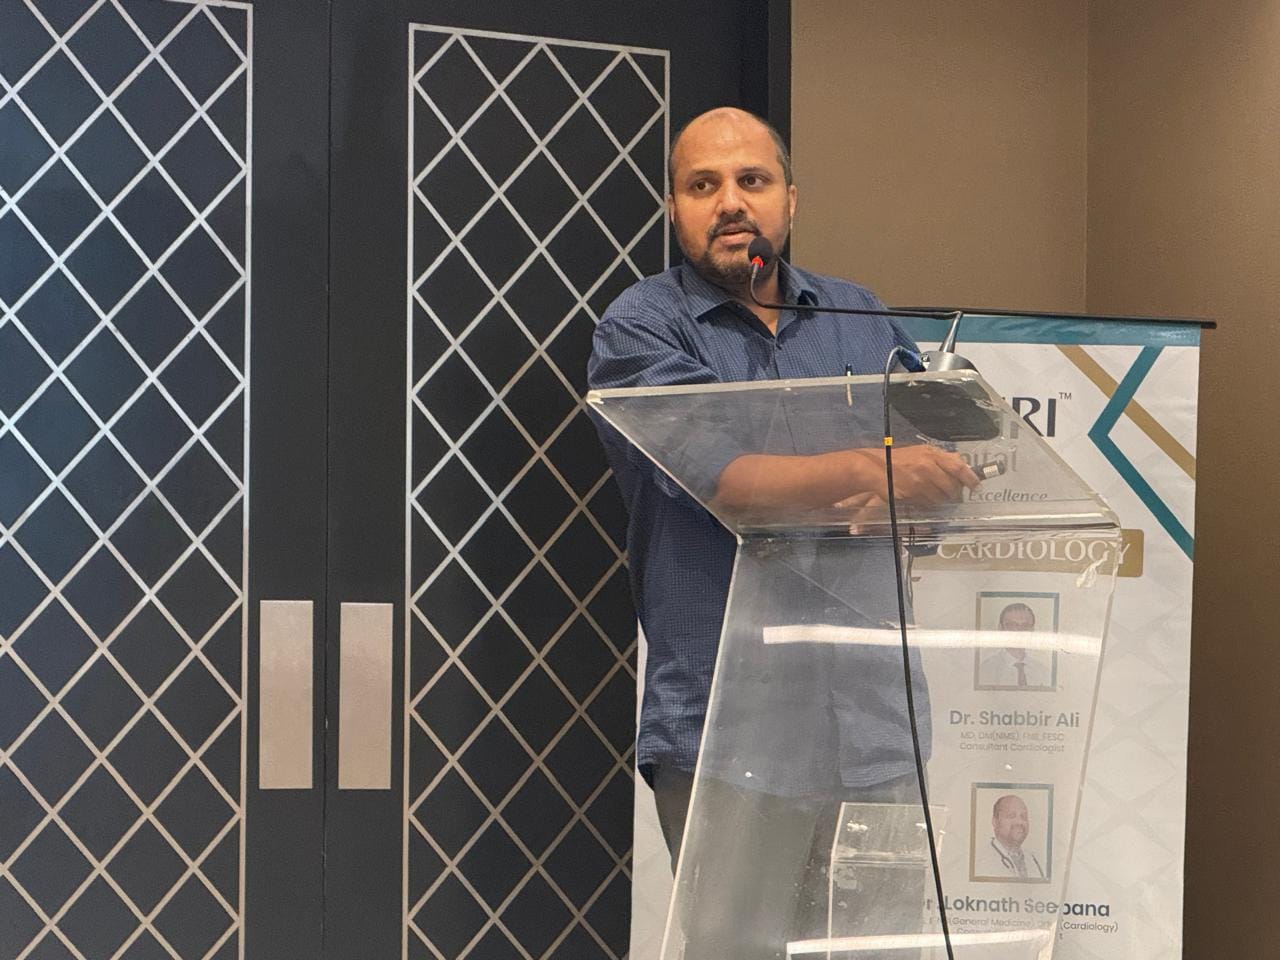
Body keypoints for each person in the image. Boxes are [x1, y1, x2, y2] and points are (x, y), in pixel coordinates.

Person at [588, 106, 977, 957]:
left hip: (873, 727)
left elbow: (939, 469)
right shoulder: (642, 326)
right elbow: (730, 482)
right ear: (674, 208)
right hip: (729, 734)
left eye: (752, 180)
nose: (730, 201)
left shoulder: (860, 316)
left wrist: (917, 485)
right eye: (703, 185)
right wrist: (877, 472)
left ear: (790, 199)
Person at [977, 602, 1054, 689]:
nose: (1019, 631)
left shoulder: (1043, 672)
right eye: (1011, 625)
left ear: (1032, 630)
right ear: (1000, 629)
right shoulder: (985, 670)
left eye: (1025, 625)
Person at [975, 794, 1047, 880]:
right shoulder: (980, 861)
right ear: (995, 822)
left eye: (1023, 817)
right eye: (1011, 816)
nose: (1019, 822)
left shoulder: (1034, 860)